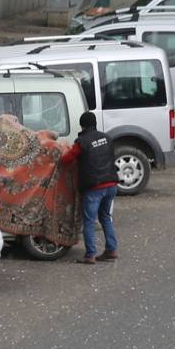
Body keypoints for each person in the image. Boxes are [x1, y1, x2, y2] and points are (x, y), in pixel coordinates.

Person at [61, 112, 119, 264]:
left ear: (82, 125)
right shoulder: (107, 138)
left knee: (89, 221)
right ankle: (111, 250)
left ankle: (90, 255)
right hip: (111, 184)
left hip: (94, 187)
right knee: (106, 217)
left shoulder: (82, 142)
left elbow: (67, 159)